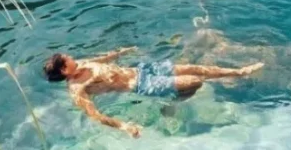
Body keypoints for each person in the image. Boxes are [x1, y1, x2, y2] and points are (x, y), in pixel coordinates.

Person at [43, 47, 262, 137]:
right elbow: (95, 115)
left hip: (141, 70)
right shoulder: (77, 89)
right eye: (67, 58)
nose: (71, 56)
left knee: (191, 67)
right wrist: (124, 126)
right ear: (64, 69)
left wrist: (122, 51)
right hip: (141, 85)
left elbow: (102, 59)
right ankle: (173, 104)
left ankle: (239, 72)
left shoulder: (81, 63)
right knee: (195, 81)